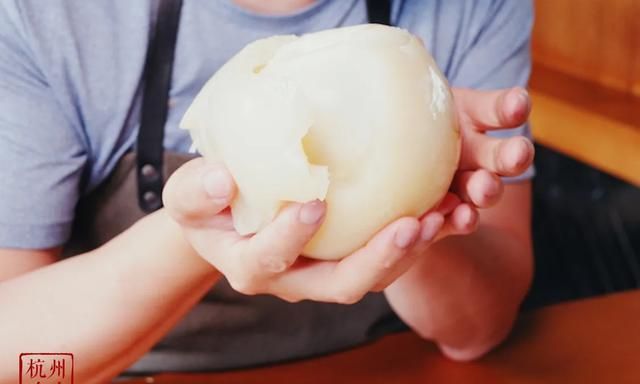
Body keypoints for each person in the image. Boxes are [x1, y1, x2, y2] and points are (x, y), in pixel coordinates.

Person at [0, 0, 535, 381]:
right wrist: (197, 232)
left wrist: (425, 192)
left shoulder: (471, 9)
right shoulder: (45, 17)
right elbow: (17, 361)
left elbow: (479, 333)